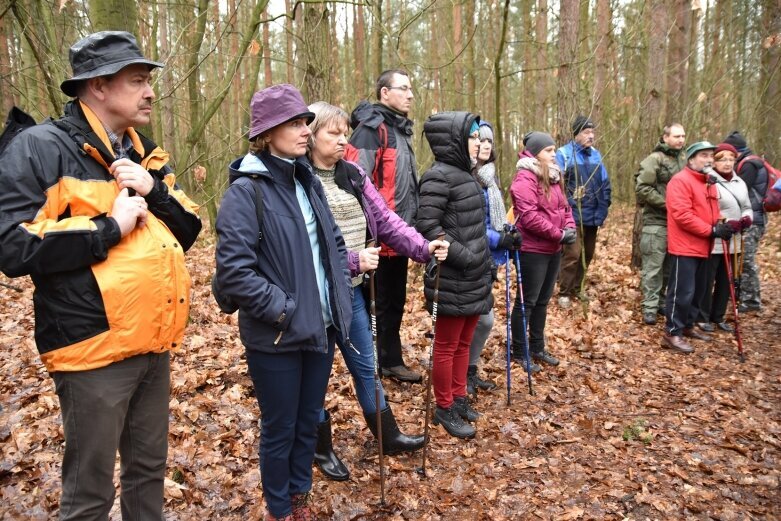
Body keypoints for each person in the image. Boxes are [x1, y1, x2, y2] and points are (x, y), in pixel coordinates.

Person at [0, 31, 202, 520]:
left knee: (148, 474)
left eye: (148, 81)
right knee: (90, 493)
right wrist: (107, 227)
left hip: (154, 344)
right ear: (98, 86)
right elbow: (11, 244)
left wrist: (154, 191)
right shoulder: (39, 147)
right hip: (92, 349)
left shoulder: (144, 151)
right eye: (137, 81)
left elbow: (190, 229)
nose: (150, 91)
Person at [214, 85, 352, 521]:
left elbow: (331, 243)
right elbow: (234, 273)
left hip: (321, 327)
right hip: (277, 333)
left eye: (305, 122)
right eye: (294, 123)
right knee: (281, 427)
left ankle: (299, 497)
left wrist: (341, 292)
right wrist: (286, 309)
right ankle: (279, 508)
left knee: (309, 420)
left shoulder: (306, 182)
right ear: (267, 132)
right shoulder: (246, 192)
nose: (304, 131)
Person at [304, 101, 449, 481]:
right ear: (310, 134)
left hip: (351, 291)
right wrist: (353, 260)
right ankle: (320, 446)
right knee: (314, 378)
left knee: (366, 367)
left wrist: (422, 247)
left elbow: (385, 220)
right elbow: (304, 247)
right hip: (312, 297)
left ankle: (388, 435)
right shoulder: (298, 180)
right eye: (332, 133)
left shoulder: (351, 175)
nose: (342, 139)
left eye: (344, 132)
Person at [416, 111, 493, 439]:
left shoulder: (469, 175)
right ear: (455, 141)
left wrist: (482, 263)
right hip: (452, 276)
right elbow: (427, 226)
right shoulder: (438, 176)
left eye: (479, 138)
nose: (478, 143)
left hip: (475, 277)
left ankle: (459, 398)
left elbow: (475, 228)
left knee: (464, 342)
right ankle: (444, 406)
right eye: (473, 137)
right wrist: (465, 257)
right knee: (447, 345)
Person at [345, 69, 422, 383]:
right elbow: (354, 181)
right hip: (378, 237)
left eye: (410, 88)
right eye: (403, 88)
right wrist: (368, 232)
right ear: (384, 93)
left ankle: (390, 359)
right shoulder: (371, 130)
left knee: (395, 301)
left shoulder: (400, 128)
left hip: (399, 235)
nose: (410, 94)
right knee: (377, 303)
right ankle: (372, 365)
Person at [510, 132, 575, 371]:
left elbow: (565, 207)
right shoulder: (524, 179)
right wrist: (558, 234)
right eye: (549, 150)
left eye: (554, 149)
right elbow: (529, 217)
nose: (554, 154)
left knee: (543, 301)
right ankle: (519, 350)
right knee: (527, 302)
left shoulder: (554, 176)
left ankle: (537, 347)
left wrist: (569, 227)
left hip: (552, 248)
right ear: (535, 152)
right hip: (532, 249)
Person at [662, 141, 733, 354]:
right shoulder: (680, 181)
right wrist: (711, 230)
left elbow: (709, 211)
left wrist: (721, 223)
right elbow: (682, 216)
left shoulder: (708, 182)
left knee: (699, 291)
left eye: (710, 155)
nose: (709, 159)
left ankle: (688, 326)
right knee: (682, 292)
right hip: (684, 246)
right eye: (703, 155)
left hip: (705, 245)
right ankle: (672, 332)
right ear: (691, 159)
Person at [466, 121, 520, 396]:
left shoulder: (489, 177)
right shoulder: (468, 178)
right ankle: (462, 374)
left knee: (483, 321)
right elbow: (471, 226)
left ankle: (470, 371)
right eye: (480, 140)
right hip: (471, 258)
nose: (485, 145)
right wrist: (500, 239)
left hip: (488, 260)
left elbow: (495, 219)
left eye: (489, 141)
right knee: (479, 320)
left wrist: (508, 230)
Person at [555, 115, 612, 308]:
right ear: (576, 134)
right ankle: (564, 292)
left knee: (587, 253)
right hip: (572, 215)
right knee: (572, 253)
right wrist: (568, 205)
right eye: (587, 132)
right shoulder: (564, 154)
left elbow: (605, 184)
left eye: (592, 132)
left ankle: (577, 289)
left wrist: (603, 209)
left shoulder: (596, 155)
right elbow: (558, 186)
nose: (591, 136)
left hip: (593, 215)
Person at [695, 143, 752, 332]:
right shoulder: (709, 180)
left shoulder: (740, 182)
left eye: (731, 159)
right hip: (714, 239)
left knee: (727, 279)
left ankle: (718, 316)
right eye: (722, 159)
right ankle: (702, 316)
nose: (727, 163)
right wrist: (723, 223)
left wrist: (746, 219)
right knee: (707, 279)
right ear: (715, 162)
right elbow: (705, 208)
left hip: (734, 240)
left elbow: (747, 206)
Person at [635, 124, 687, 325]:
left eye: (683, 136)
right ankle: (649, 306)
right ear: (665, 137)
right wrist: (669, 205)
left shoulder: (684, 159)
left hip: (678, 224)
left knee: (668, 268)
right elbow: (643, 188)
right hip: (656, 222)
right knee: (653, 267)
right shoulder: (654, 159)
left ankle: (661, 303)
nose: (680, 140)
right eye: (676, 136)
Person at [722, 131, 768, 313]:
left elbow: (739, 190)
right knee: (741, 257)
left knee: (746, 260)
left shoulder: (749, 165)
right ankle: (741, 295)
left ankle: (752, 301)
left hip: (753, 220)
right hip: (751, 218)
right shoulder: (751, 162)